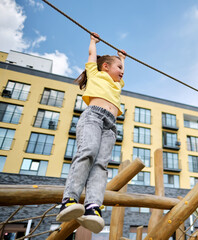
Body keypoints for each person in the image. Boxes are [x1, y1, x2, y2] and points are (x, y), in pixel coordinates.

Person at [56, 32, 126, 234]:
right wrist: (92, 42)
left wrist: (122, 59)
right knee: (87, 152)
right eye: (118, 68)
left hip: (110, 125)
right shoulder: (96, 74)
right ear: (105, 67)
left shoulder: (117, 84)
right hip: (94, 117)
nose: (122, 72)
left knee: (101, 165)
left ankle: (93, 207)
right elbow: (91, 56)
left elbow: (122, 73)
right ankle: (69, 200)